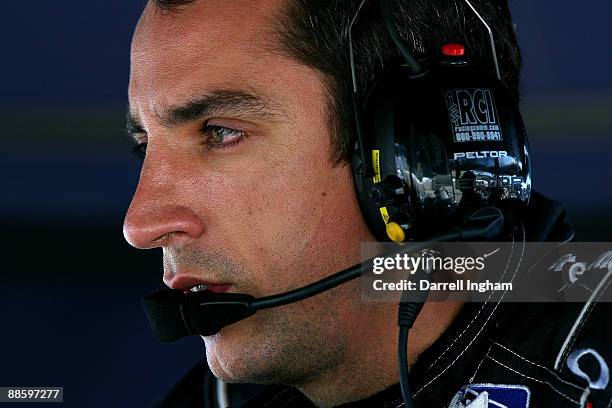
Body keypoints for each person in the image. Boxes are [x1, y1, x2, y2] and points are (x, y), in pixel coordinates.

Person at [123, 0, 612, 406]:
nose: (141, 225)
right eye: (144, 146)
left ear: (421, 149)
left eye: (221, 131)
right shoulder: (224, 397)